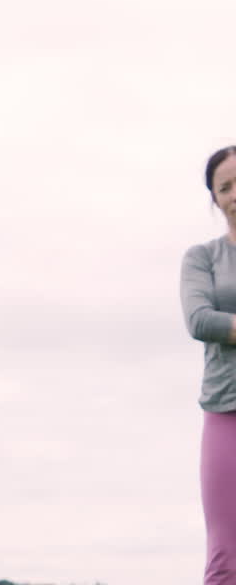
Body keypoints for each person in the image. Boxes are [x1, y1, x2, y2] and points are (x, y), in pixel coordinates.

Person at [181, 144, 236, 584]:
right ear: (215, 199)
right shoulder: (202, 259)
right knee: (226, 556)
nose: (235, 193)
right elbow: (200, 319)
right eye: (225, 187)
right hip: (226, 411)